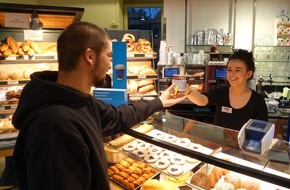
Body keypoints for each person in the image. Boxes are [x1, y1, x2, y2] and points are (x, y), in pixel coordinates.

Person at [12, 21, 186, 190]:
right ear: (90, 56)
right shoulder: (53, 126)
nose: (110, 64)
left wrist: (160, 101)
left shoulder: (79, 102)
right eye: (108, 55)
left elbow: (119, 116)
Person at [185, 49, 268, 131]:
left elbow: (261, 132)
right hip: (220, 144)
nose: (232, 74)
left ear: (248, 74)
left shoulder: (258, 101)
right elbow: (202, 100)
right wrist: (188, 91)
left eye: (237, 70)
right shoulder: (220, 93)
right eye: (229, 70)